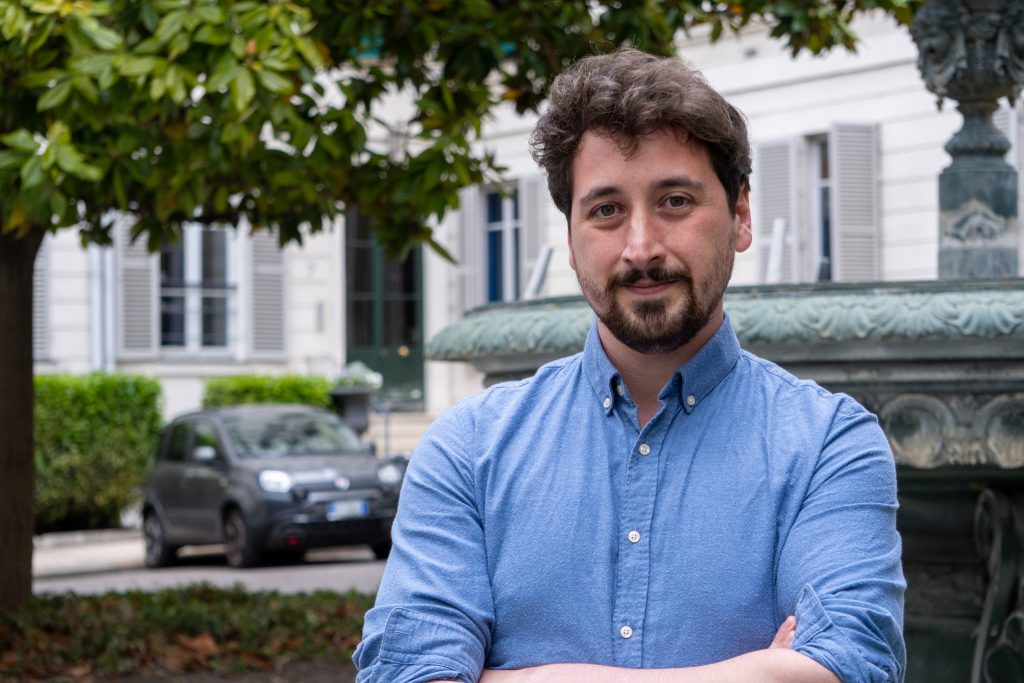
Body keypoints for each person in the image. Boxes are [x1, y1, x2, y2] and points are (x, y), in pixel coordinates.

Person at [353, 48, 905, 683]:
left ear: (741, 215)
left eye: (675, 201)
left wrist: (518, 677)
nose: (641, 248)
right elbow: (405, 673)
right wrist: (766, 670)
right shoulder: (468, 449)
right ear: (570, 238)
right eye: (606, 210)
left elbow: (853, 668)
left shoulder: (830, 444)